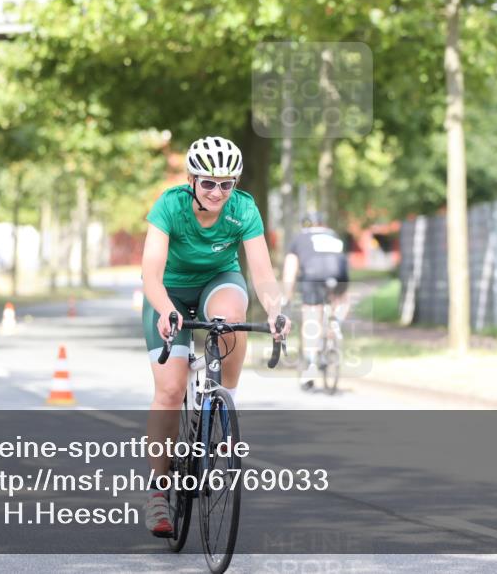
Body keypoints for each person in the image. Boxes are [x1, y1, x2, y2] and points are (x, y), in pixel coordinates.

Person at [140, 135, 289, 537]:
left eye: (227, 183)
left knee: (231, 318)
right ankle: (158, 491)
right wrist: (167, 309)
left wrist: (276, 311)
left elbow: (262, 273)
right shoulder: (170, 205)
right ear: (192, 179)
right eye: (208, 183)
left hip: (218, 281)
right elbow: (151, 274)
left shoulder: (243, 210)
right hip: (168, 290)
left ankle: (228, 399)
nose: (217, 192)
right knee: (170, 391)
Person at [281, 212, 349, 390]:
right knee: (341, 301)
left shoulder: (300, 238)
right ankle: (336, 324)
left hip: (313, 276)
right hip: (339, 275)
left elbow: (290, 269)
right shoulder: (333, 235)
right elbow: (343, 262)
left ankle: (310, 367)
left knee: (312, 318)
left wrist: (286, 296)